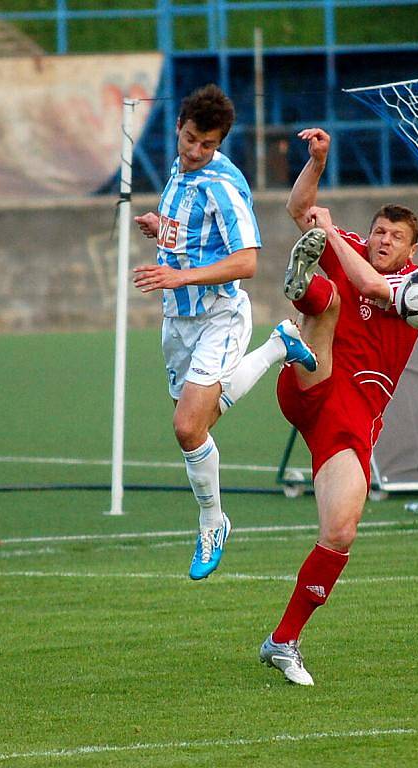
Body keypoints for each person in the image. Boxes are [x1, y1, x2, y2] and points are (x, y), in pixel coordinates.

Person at [259, 127, 418, 686]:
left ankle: (283, 642)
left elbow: (377, 290)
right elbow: (299, 206)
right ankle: (300, 295)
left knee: (340, 532)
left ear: (410, 249)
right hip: (315, 381)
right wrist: (318, 160)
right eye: (377, 231)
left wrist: (330, 233)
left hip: (352, 420)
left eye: (393, 236)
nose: (381, 240)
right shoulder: (348, 243)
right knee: (327, 299)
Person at [133, 84, 317, 581]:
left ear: (220, 144)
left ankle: (213, 522)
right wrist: (161, 226)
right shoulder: (178, 170)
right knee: (198, 424)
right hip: (178, 320)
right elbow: (192, 234)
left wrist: (179, 275)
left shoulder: (224, 184)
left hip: (220, 315)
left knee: (188, 427)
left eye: (207, 145)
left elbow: (247, 262)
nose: (195, 152)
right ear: (179, 128)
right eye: (190, 139)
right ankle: (280, 344)